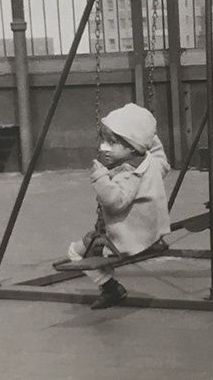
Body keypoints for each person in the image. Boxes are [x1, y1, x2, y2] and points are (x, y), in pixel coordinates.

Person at [67, 103, 171, 309]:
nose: (103, 147)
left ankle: (110, 288)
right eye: (104, 141)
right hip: (151, 234)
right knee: (92, 243)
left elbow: (114, 202)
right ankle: (108, 278)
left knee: (74, 252)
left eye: (112, 143)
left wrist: (100, 175)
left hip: (128, 240)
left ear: (133, 146)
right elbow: (160, 154)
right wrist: (149, 133)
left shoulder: (127, 174)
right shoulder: (152, 162)